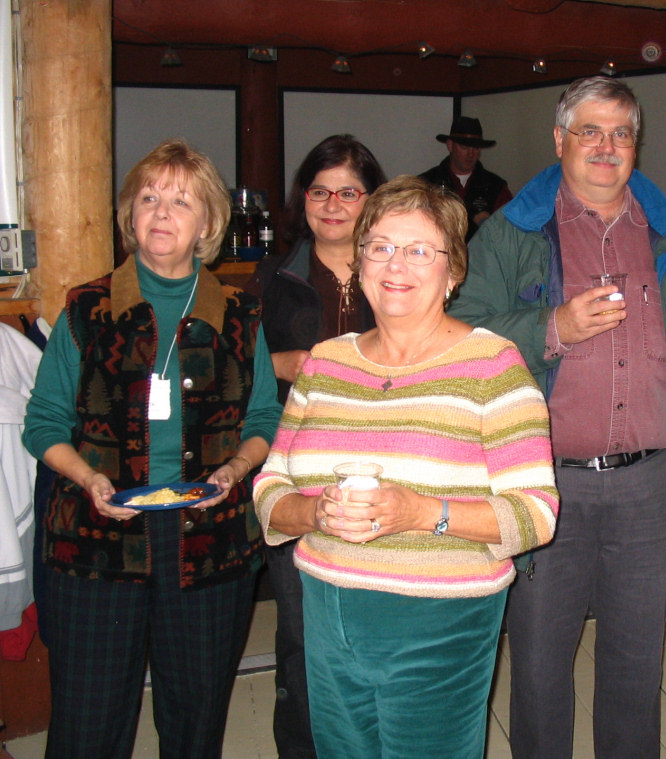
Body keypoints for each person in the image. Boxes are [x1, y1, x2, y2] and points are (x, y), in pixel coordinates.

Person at [448, 76, 666, 759]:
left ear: (637, 144)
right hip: (547, 489)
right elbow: (459, 338)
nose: (607, 147)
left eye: (621, 133)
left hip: (650, 492)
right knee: (539, 669)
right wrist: (552, 327)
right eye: (590, 131)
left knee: (637, 669)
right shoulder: (509, 235)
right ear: (560, 140)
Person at [253, 174, 558, 759]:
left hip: (440, 625)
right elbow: (270, 488)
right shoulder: (325, 364)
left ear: (453, 271)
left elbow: (536, 515)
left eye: (420, 250)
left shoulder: (493, 367)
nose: (396, 264)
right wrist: (315, 513)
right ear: (360, 261)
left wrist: (421, 513)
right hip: (327, 620)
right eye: (381, 247)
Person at [22, 138, 283, 759]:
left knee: (195, 719)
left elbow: (265, 417)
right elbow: (43, 423)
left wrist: (235, 469)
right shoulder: (87, 309)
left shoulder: (240, 315)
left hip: (208, 538)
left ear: (208, 224)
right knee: (88, 722)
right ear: (129, 215)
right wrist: (88, 478)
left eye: (181, 201)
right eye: (148, 198)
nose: (161, 212)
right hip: (98, 538)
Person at [245, 133, 386, 759]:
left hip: (391, 470)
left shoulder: (399, 271)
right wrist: (282, 362)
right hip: (302, 477)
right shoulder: (273, 279)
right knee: (303, 636)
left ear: (372, 199)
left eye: (349, 192)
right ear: (302, 198)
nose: (332, 204)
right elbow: (233, 372)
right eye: (320, 191)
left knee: (381, 629)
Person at [419, 115, 512, 240]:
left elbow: (510, 233)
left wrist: (488, 225)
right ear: (450, 145)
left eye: (476, 148)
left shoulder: (496, 187)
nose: (471, 154)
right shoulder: (425, 184)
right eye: (464, 147)